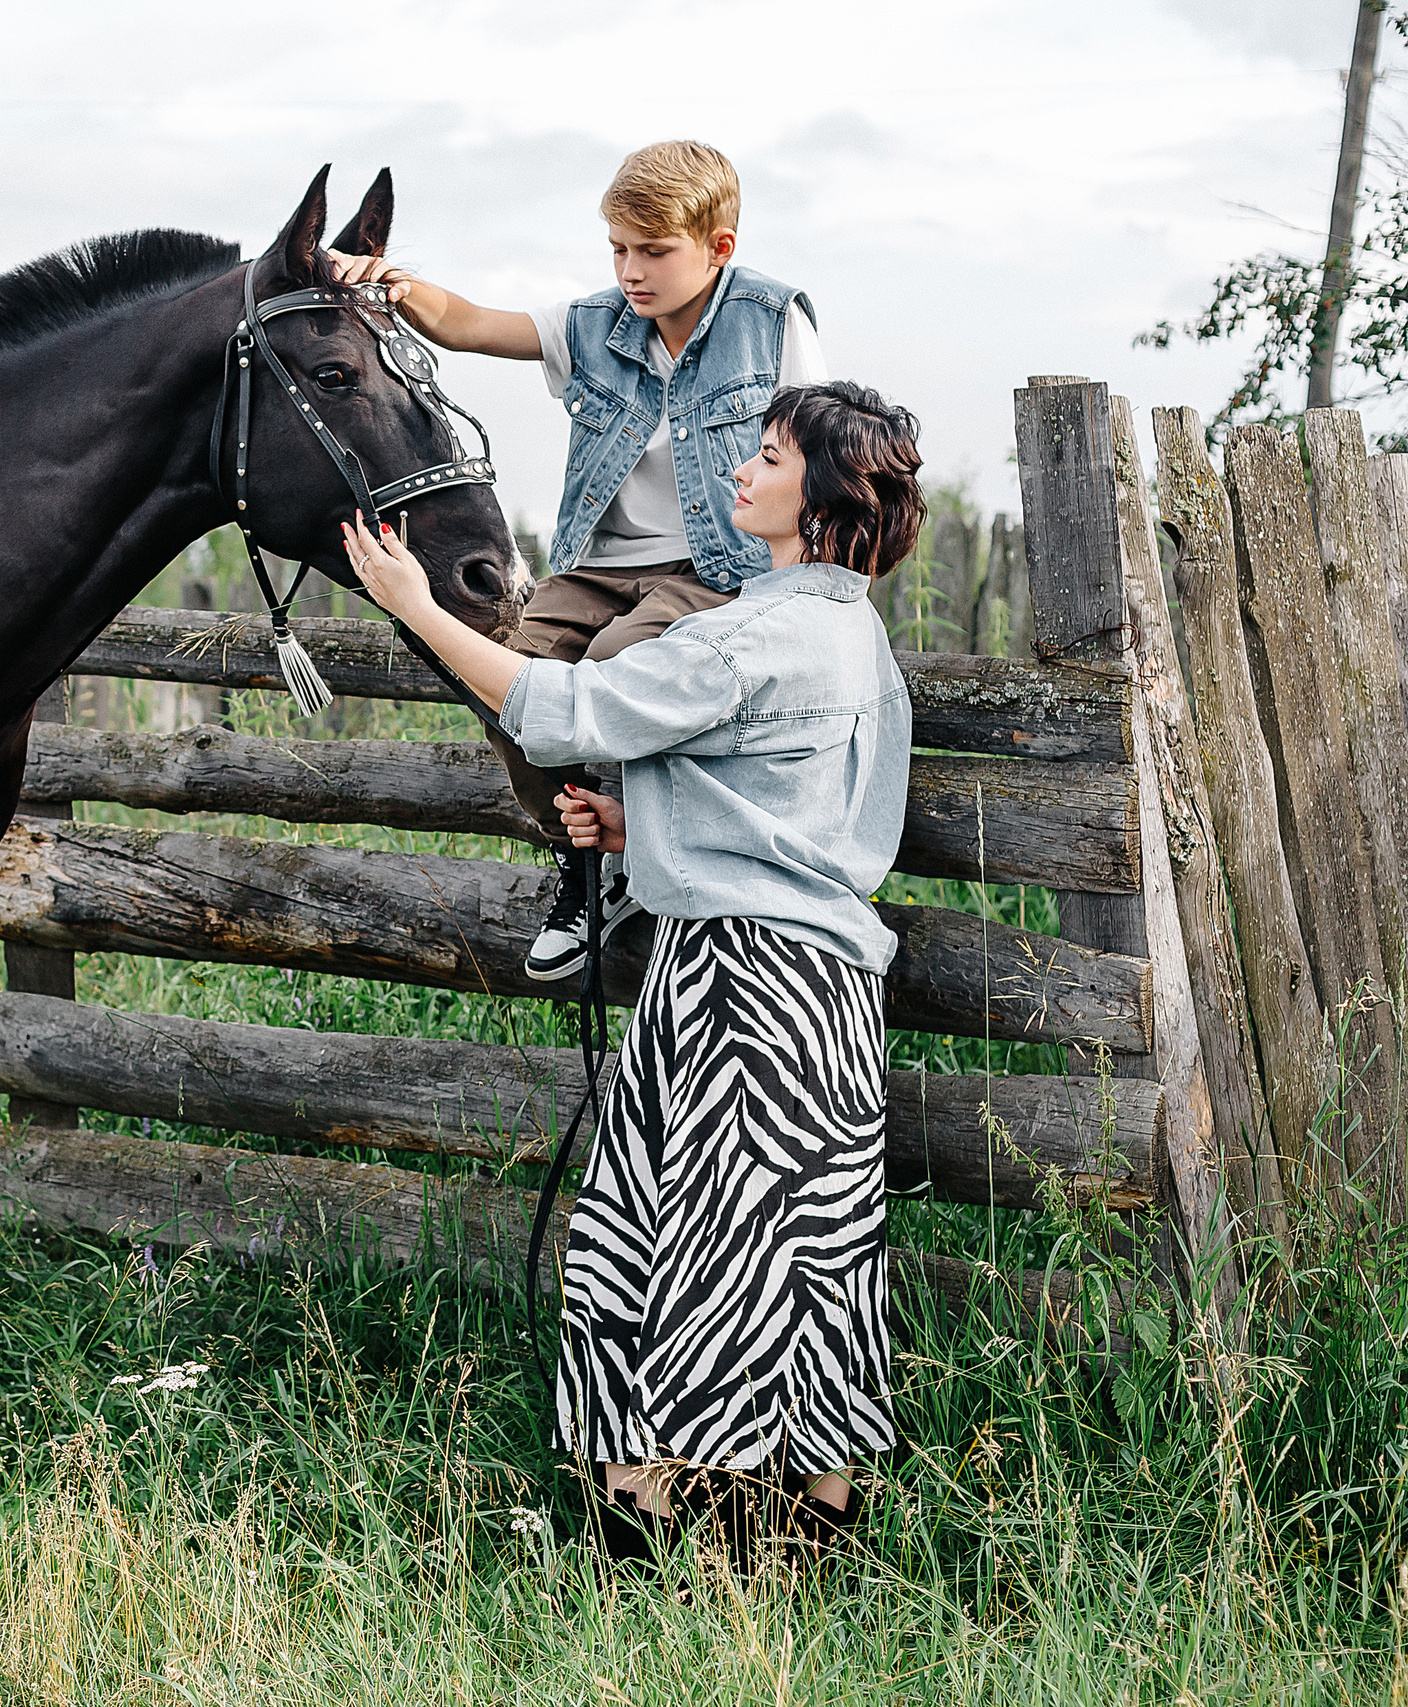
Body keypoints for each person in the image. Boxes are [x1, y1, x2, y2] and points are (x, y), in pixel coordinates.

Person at [345, 380, 924, 1571]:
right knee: (801, 1253)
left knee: (683, 1251)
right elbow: (778, 796)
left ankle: (674, 1540)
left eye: (765, 456)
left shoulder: (757, 632)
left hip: (737, 984)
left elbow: (565, 712)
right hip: (819, 990)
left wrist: (418, 609)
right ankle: (811, 1532)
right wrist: (642, 826)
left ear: (818, 492)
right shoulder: (847, 629)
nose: (739, 471)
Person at [336, 140, 826, 983]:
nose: (632, 271)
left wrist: (810, 589)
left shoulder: (773, 321)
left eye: (654, 251)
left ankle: (637, 843)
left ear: (719, 247)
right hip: (598, 564)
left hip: (716, 569)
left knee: (606, 668)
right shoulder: (595, 323)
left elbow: (818, 452)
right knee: (508, 684)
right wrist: (393, 284)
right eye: (619, 249)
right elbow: (473, 324)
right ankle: (586, 866)